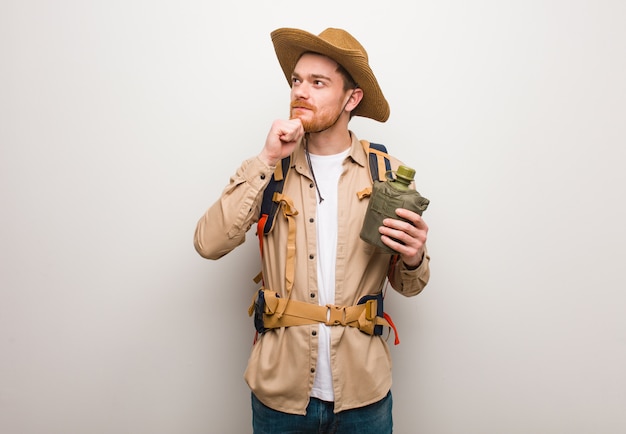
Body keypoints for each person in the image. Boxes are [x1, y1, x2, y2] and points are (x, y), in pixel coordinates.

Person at [194, 27, 430, 434]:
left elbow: (410, 285)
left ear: (351, 98)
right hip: (280, 395)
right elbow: (208, 243)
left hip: (364, 394)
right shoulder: (269, 170)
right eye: (296, 81)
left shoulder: (386, 175)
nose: (300, 91)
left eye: (318, 83)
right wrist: (266, 157)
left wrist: (412, 256)